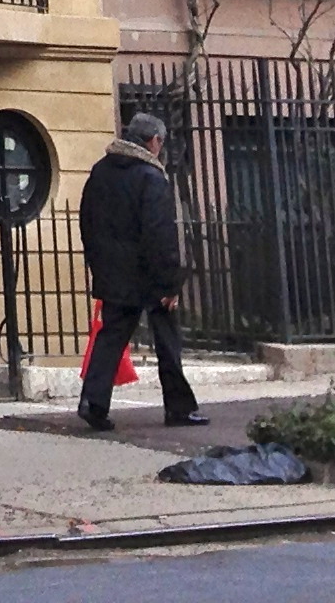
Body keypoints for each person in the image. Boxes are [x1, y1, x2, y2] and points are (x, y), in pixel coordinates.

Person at [76, 111, 205, 430]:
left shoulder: (101, 171)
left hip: (113, 272)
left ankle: (93, 402)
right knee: (167, 342)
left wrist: (98, 265)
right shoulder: (151, 177)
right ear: (154, 141)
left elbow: (87, 221)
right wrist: (170, 283)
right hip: (149, 274)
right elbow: (159, 233)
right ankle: (178, 408)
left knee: (110, 337)